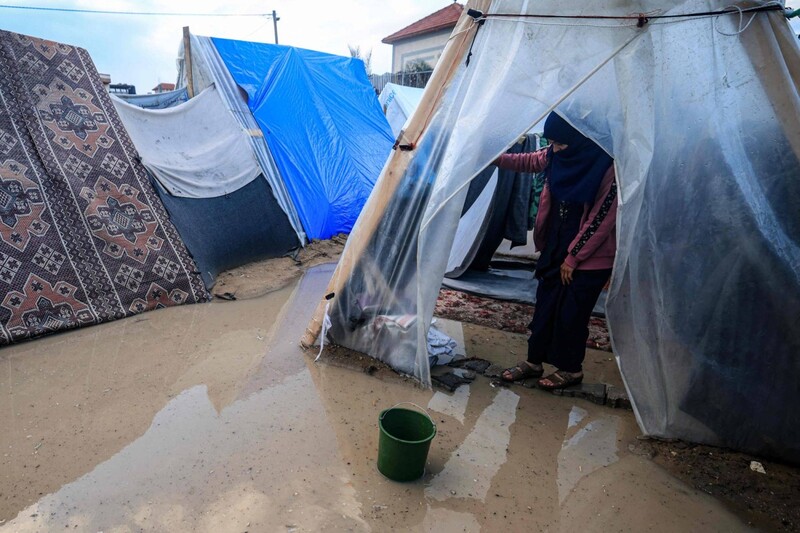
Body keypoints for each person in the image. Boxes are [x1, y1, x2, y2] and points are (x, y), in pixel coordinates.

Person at [495, 112, 617, 390]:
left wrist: (574, 258)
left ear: (580, 139)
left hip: (590, 258)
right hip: (557, 245)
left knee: (572, 315)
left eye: (561, 144)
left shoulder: (606, 167)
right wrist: (494, 158)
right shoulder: (555, 155)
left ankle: (571, 369)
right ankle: (534, 361)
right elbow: (527, 161)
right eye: (552, 144)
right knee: (545, 307)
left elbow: (601, 218)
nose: (556, 149)